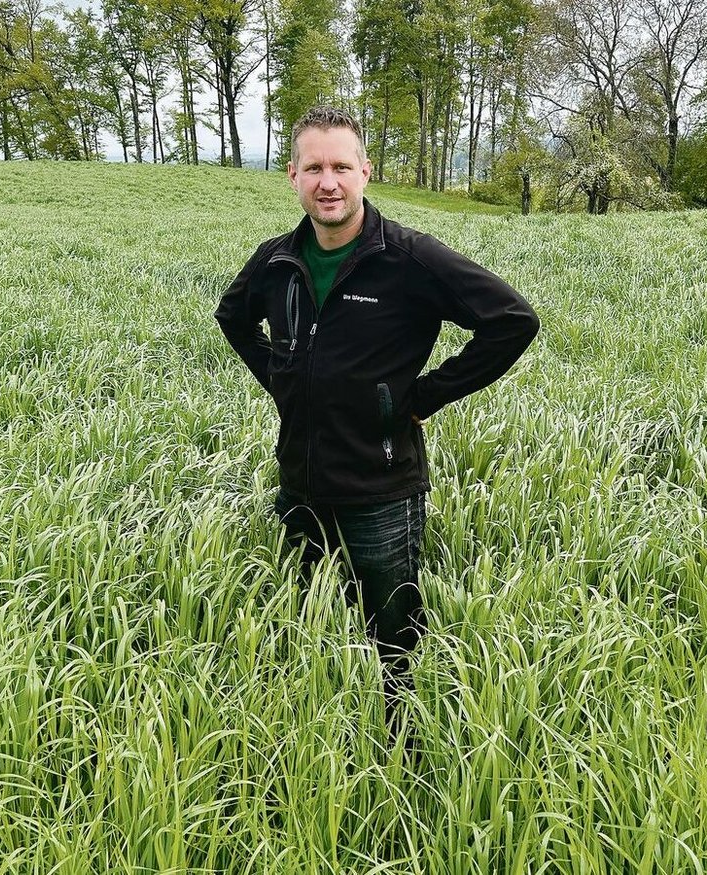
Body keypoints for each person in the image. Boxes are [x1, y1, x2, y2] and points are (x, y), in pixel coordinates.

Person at [214, 105, 538, 732]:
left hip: (381, 492)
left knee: (394, 641)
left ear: (365, 172)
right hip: (300, 487)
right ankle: (317, 733)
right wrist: (282, 380)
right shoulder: (278, 260)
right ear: (293, 176)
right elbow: (233, 318)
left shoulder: (410, 258)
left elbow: (512, 321)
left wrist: (423, 397)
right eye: (314, 168)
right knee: (308, 626)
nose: (327, 181)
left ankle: (399, 748)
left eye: (341, 166)